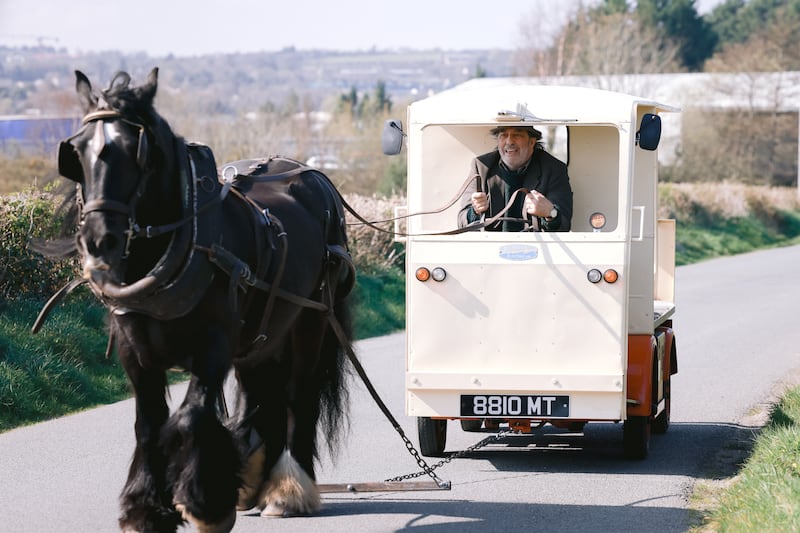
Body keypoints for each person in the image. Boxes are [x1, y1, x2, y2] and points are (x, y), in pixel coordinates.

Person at [458, 125, 573, 232]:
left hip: (537, 248)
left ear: (532, 142)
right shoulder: (481, 166)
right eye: (503, 135)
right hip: (490, 247)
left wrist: (549, 213)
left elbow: (564, 225)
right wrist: (475, 211)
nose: (509, 141)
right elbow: (461, 222)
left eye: (517, 135)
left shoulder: (554, 169)